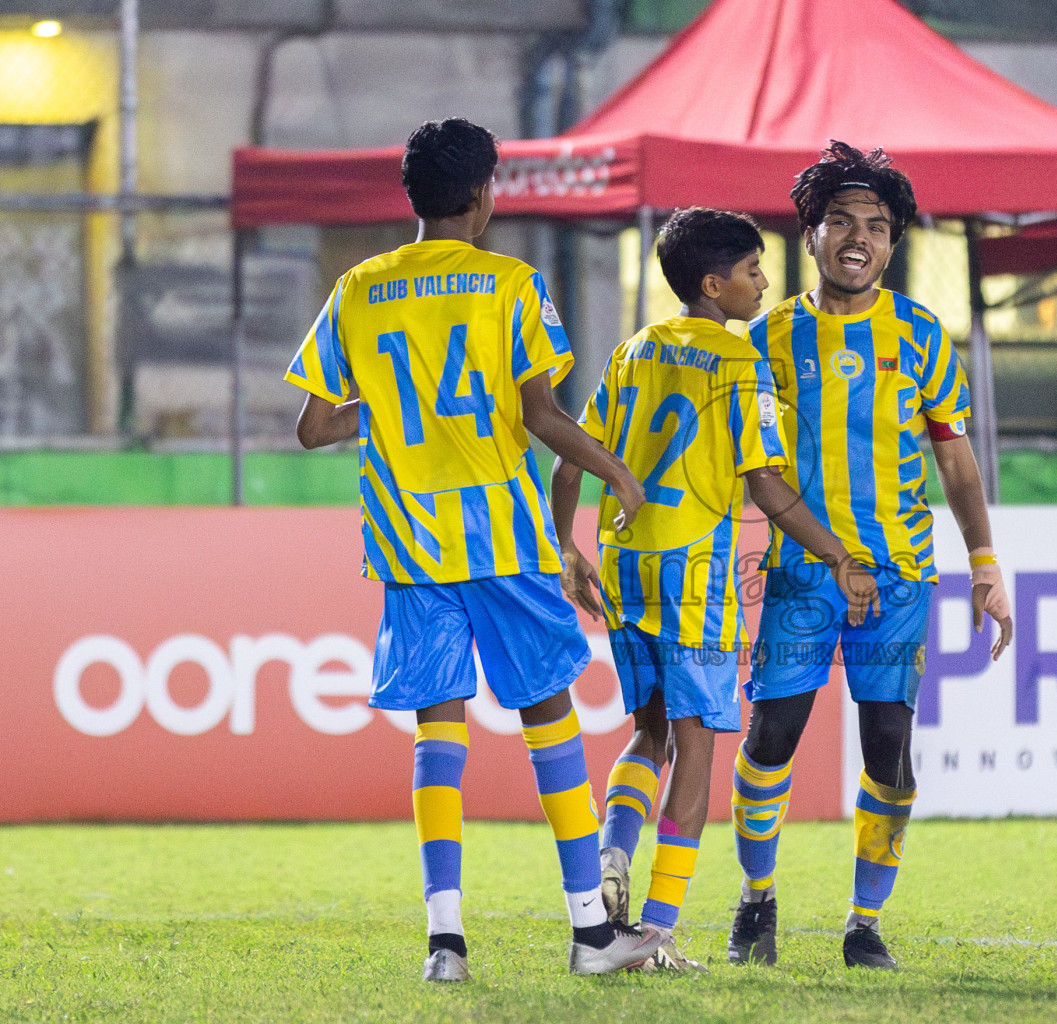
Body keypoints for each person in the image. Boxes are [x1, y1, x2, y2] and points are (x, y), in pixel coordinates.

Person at [283, 117, 664, 982]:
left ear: (412, 196)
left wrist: (381, 410)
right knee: (546, 714)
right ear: (486, 194)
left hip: (407, 541)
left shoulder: (358, 287)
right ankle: (590, 934)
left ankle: (444, 944)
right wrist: (618, 474)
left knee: (437, 730)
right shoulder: (513, 286)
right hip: (498, 535)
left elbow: (311, 428)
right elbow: (540, 414)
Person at [552, 207, 878, 972]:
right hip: (693, 569)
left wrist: (568, 551)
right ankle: (657, 932)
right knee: (697, 740)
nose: (764, 281)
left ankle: (609, 859)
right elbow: (766, 485)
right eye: (753, 269)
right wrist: (835, 554)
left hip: (624, 561)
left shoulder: (635, 350)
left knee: (649, 729)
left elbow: (572, 461)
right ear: (712, 284)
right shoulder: (739, 365)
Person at [725, 142, 1014, 971]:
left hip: (896, 577)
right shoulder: (766, 338)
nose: (860, 238)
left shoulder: (920, 336)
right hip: (801, 577)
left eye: (877, 227)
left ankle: (863, 923)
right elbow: (750, 459)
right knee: (773, 733)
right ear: (809, 235)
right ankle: (756, 901)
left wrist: (984, 564)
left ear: (892, 244)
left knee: (888, 741)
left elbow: (954, 458)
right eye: (841, 222)